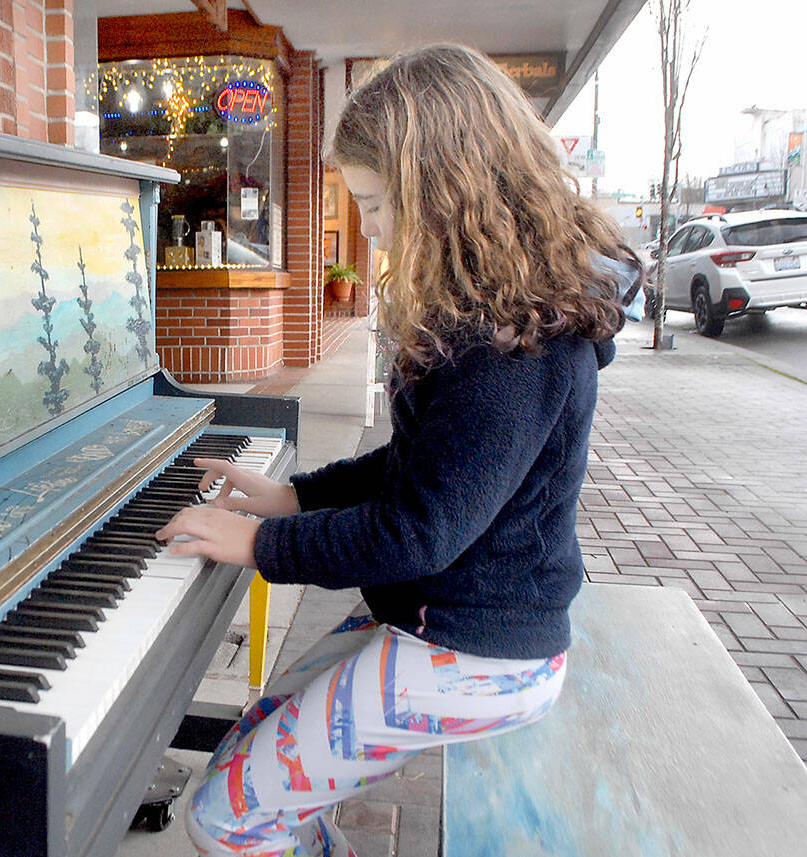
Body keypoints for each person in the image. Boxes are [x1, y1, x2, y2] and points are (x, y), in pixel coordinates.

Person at [155, 43, 643, 857]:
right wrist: (294, 498)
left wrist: (260, 544)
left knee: (226, 817)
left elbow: (420, 528)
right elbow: (417, 468)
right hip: (431, 616)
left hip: (474, 647)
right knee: (255, 744)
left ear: (448, 190)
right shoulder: (485, 314)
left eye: (378, 205)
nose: (371, 230)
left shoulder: (514, 354)